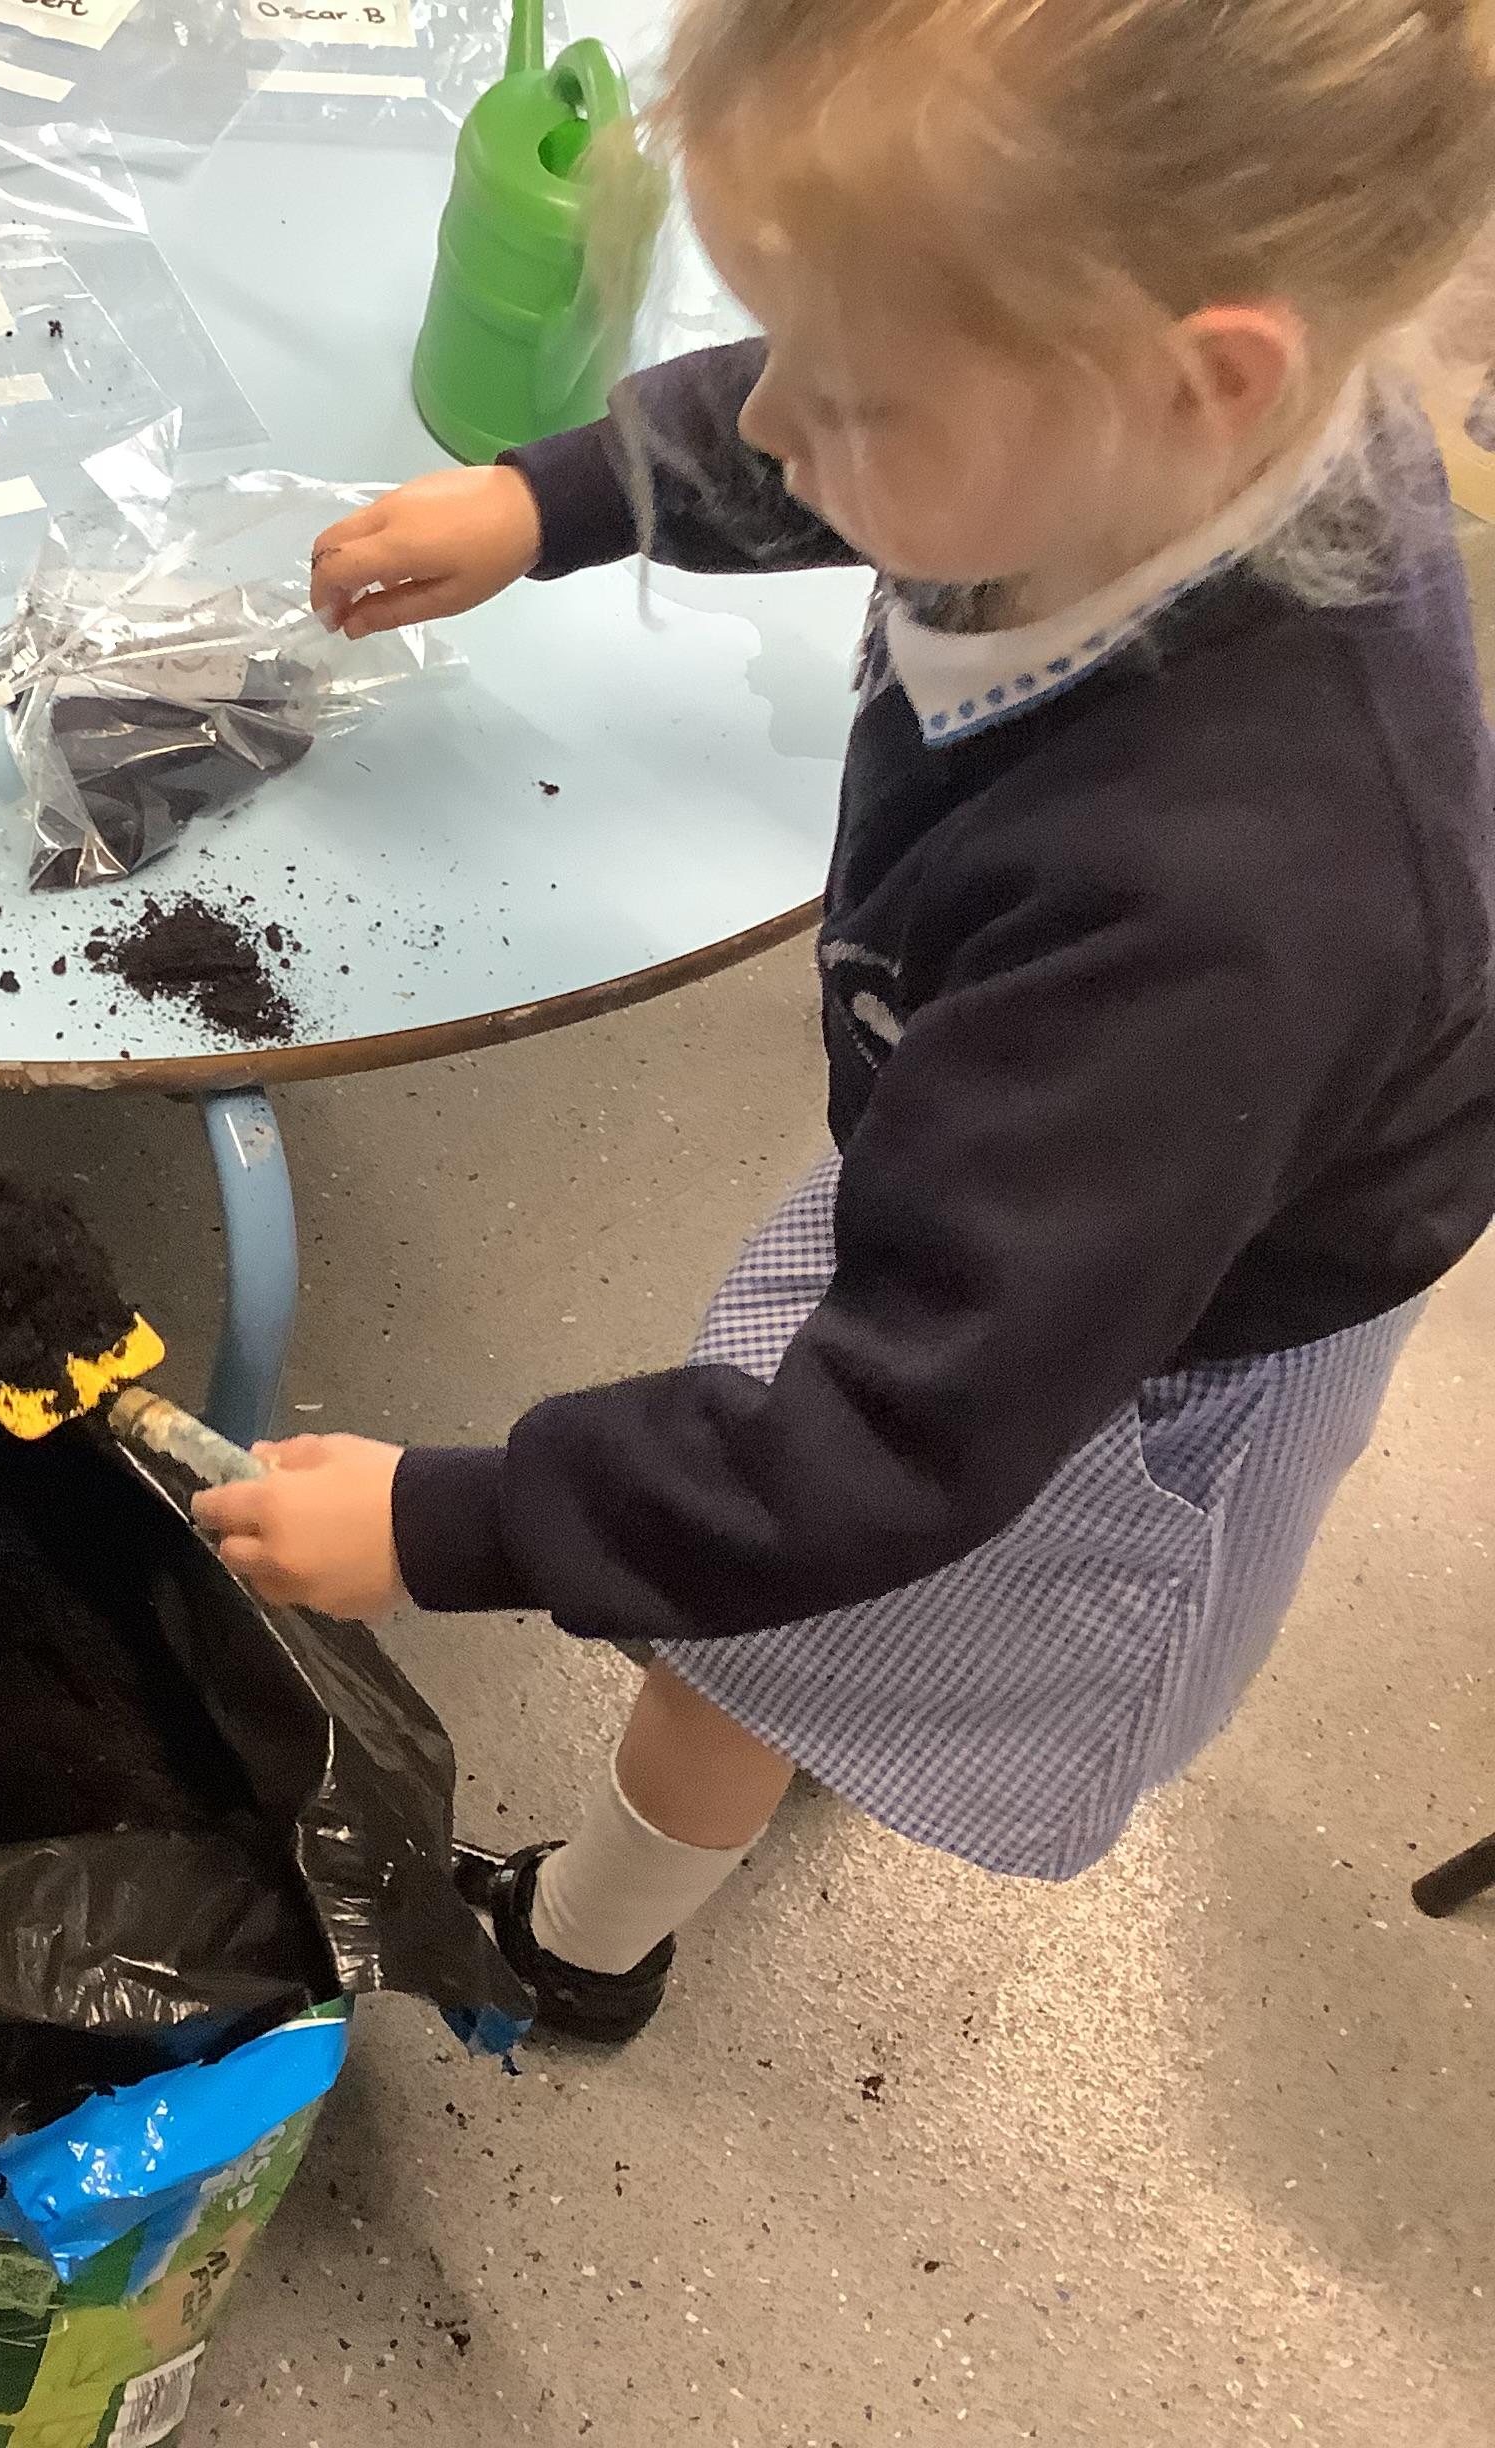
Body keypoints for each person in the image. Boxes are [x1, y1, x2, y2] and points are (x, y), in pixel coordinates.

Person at [202, 0, 1495, 2039]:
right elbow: (853, 398)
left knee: (733, 1658)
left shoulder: (1220, 915)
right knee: (792, 1586)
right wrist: (557, 499)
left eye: (856, 392)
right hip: (1025, 1152)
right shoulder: (1139, 441)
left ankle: (581, 1946)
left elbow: (882, 1443)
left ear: (1199, 384)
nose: (780, 424)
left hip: (1139, 1347)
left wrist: (444, 1521)